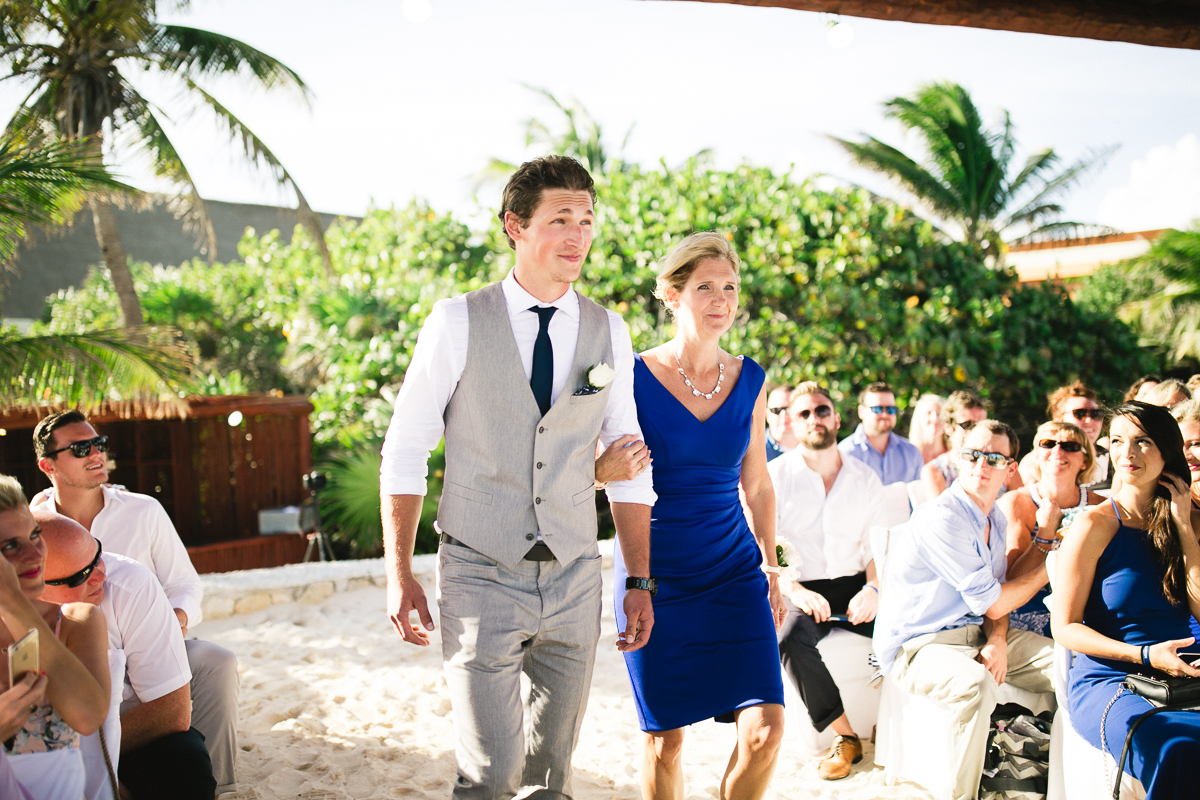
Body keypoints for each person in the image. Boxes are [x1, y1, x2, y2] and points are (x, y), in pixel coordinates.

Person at [380, 156, 656, 800]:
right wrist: (400, 573)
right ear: (515, 227)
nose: (578, 235)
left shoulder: (608, 330)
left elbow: (630, 461)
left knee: (551, 778)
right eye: (561, 219)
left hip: (574, 574)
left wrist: (637, 579)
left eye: (587, 220)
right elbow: (406, 449)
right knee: (489, 775)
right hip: (479, 571)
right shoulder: (455, 321)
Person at [612, 231, 785, 800]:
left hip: (733, 572)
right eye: (705, 287)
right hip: (654, 574)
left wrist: (772, 566)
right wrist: (598, 467)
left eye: (730, 288)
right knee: (666, 741)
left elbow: (756, 485)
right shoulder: (631, 378)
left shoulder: (751, 379)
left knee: (766, 730)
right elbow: (590, 469)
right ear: (671, 294)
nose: (721, 300)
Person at [29, 410, 240, 795]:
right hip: (74, 652)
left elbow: (184, 583)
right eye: (81, 448)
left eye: (99, 444)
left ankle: (218, 780)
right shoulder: (35, 527)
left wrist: (174, 618)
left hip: (149, 641)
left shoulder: (144, 510)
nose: (96, 454)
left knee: (217, 662)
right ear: (48, 465)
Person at [873, 421, 1055, 800]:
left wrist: (999, 638)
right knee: (975, 684)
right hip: (920, 645)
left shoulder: (996, 518)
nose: (980, 465)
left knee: (1068, 662)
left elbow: (997, 595)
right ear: (959, 458)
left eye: (993, 457)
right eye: (972, 454)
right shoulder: (943, 517)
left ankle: (1060, 782)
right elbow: (993, 601)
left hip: (975, 631)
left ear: (1010, 467)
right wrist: (1052, 566)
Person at [1052, 402, 1200, 798]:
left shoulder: (1192, 517)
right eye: (1117, 441)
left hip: (1186, 669)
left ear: (1167, 451)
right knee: (1180, 749)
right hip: (1114, 678)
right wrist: (1146, 655)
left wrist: (1185, 528)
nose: (1127, 453)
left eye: (1143, 441)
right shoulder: (1093, 525)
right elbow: (1064, 627)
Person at [36, 511, 213, 800]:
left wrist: (95, 760)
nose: (101, 576)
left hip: (127, 733)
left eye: (97, 555)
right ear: (32, 585)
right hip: (32, 751)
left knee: (185, 762)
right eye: (82, 575)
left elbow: (172, 711)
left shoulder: (129, 585)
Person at [769, 382, 883, 780]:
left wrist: (873, 589)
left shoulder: (866, 478)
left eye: (821, 411)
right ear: (792, 424)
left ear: (837, 418)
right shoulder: (776, 476)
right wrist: (796, 591)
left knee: (910, 629)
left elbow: (875, 549)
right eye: (804, 414)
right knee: (787, 640)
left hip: (856, 586)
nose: (814, 419)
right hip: (800, 587)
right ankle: (845, 737)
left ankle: (898, 725)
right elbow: (763, 549)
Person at [0, 475, 109, 799]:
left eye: (35, 535)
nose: (35, 555)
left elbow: (88, 716)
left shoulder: (76, 620)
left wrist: (13, 604)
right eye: (10, 546)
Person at [997, 422, 1102, 636]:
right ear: (1036, 455)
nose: (1057, 450)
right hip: (1028, 614)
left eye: (1070, 446)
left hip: (1088, 610)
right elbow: (1013, 578)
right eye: (1048, 444)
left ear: (1085, 461)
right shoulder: (1015, 502)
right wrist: (1045, 531)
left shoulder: (1101, 506)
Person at [1017, 382, 1110, 491]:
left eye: (1096, 414)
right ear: (1058, 418)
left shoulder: (1114, 459)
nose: (1089, 420)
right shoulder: (1037, 461)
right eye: (1079, 413)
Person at [837, 382, 924, 485]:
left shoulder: (912, 453)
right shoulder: (845, 453)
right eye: (877, 409)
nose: (885, 414)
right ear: (861, 412)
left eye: (890, 409)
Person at [918, 390, 988, 499]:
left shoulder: (1000, 463)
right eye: (967, 425)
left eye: (981, 425)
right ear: (948, 428)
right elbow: (942, 513)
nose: (976, 430)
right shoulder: (936, 470)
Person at [906, 394, 947, 464]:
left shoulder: (953, 455)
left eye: (939, 414)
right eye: (929, 413)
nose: (934, 419)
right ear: (918, 418)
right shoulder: (909, 455)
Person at [765, 384, 797, 462]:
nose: (784, 415)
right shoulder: (752, 452)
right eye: (776, 410)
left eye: (789, 409)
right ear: (767, 415)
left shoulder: (816, 447)